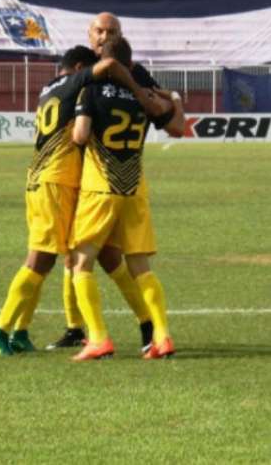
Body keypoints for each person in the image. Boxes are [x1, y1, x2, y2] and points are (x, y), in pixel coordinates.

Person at [0, 43, 146, 356]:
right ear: (80, 66)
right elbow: (105, 66)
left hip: (43, 179)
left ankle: (20, 331)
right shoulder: (75, 82)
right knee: (41, 258)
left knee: (51, 255)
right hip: (56, 179)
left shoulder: (48, 89)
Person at [68, 39, 177, 360]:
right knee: (140, 266)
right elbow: (170, 120)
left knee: (81, 262)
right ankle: (162, 335)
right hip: (133, 189)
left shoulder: (91, 91)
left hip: (100, 188)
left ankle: (98, 337)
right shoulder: (142, 96)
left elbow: (80, 135)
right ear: (130, 65)